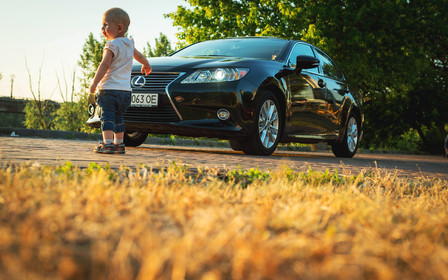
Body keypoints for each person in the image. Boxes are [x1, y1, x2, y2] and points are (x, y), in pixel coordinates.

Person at [90, 7, 151, 154]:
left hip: (109, 89)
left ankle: (108, 143)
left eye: (106, 25)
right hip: (125, 92)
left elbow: (104, 65)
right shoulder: (129, 44)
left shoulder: (111, 45)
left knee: (107, 117)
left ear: (119, 27)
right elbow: (140, 56)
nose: (102, 28)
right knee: (119, 118)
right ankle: (119, 144)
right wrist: (146, 65)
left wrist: (94, 83)